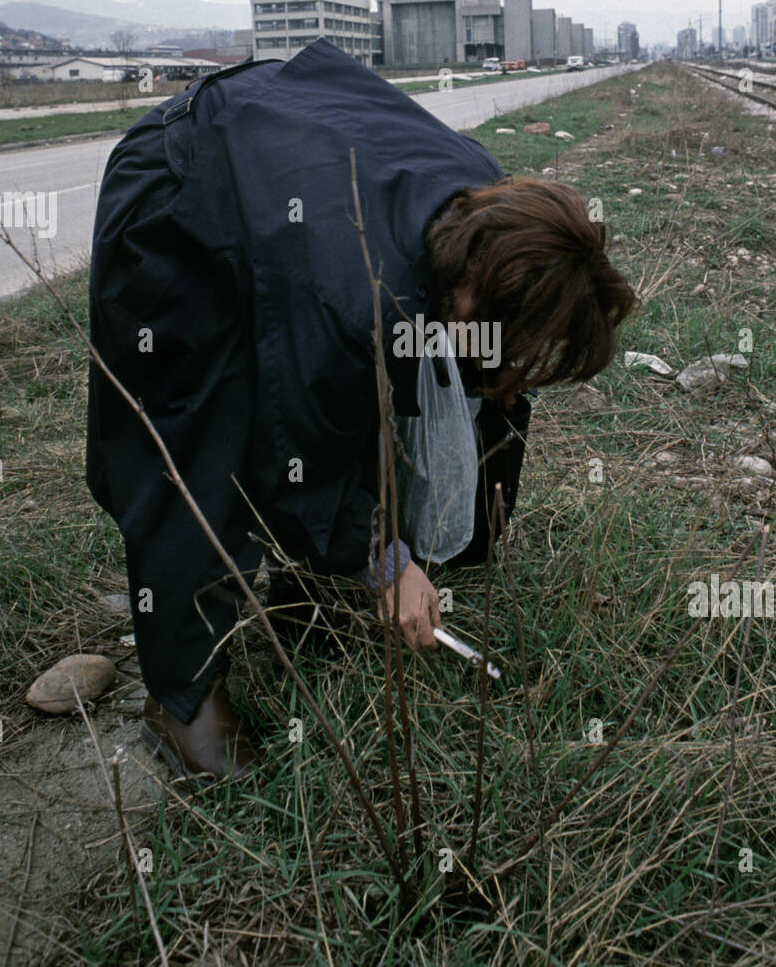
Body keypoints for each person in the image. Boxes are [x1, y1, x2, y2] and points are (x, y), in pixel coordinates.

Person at [86, 40, 635, 779]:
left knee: (442, 386)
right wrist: (386, 564)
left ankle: (309, 595)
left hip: (285, 151)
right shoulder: (349, 293)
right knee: (200, 427)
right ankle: (181, 700)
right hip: (183, 174)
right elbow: (303, 447)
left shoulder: (489, 213)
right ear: (471, 277)